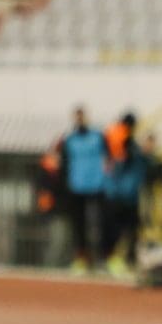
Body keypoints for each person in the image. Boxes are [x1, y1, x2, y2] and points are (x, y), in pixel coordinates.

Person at [60, 106, 107, 272]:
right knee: (79, 226)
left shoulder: (98, 136)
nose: (80, 120)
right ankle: (82, 259)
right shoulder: (69, 139)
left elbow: (109, 157)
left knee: (99, 224)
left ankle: (101, 258)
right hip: (77, 187)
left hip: (97, 185)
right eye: (77, 117)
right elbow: (64, 163)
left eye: (82, 116)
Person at [100, 113, 147, 276]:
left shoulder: (113, 136)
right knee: (121, 229)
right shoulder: (124, 141)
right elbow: (120, 164)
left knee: (125, 229)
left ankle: (119, 258)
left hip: (120, 193)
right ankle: (117, 259)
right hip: (122, 194)